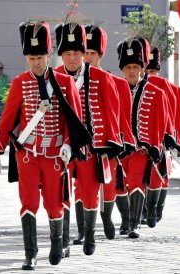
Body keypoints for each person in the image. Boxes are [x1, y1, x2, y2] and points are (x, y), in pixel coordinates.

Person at [0, 21, 90, 270]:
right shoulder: (20, 83)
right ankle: (30, 253)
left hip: (55, 154)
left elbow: (73, 119)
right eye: (31, 57)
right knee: (29, 202)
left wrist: (68, 145)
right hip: (28, 154)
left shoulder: (64, 83)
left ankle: (57, 244)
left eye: (40, 57)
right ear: (27, 58)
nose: (36, 62)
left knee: (54, 204)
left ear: (48, 56)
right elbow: (8, 118)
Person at [54, 21, 122, 255]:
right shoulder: (53, 77)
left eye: (76, 53)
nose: (72, 58)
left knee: (90, 192)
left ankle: (90, 235)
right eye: (67, 53)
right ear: (61, 55)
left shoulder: (102, 78)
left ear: (84, 54)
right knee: (61, 191)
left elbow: (111, 111)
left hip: (91, 147)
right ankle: (61, 240)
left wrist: (108, 144)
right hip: (61, 146)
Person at [84, 24, 136, 237]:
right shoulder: (70, 80)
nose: (87, 57)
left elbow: (122, 116)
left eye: (92, 53)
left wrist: (125, 141)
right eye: (84, 52)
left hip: (108, 141)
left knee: (109, 185)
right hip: (83, 144)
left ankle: (108, 219)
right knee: (83, 189)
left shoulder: (116, 82)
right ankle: (83, 229)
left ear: (100, 55)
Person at [117, 37, 168, 238]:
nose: (132, 71)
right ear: (122, 69)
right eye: (128, 66)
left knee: (137, 182)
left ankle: (135, 223)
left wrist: (153, 146)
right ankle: (124, 219)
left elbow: (160, 123)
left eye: (136, 66)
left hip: (141, 149)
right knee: (118, 186)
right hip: (119, 149)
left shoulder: (155, 93)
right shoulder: (114, 88)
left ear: (142, 68)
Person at [145, 46, 180, 222]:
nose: (149, 74)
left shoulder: (167, 87)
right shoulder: (172, 88)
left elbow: (177, 112)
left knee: (158, 174)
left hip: (161, 136)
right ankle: (150, 209)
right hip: (155, 136)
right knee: (152, 175)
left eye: (152, 71)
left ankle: (153, 208)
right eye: (147, 70)